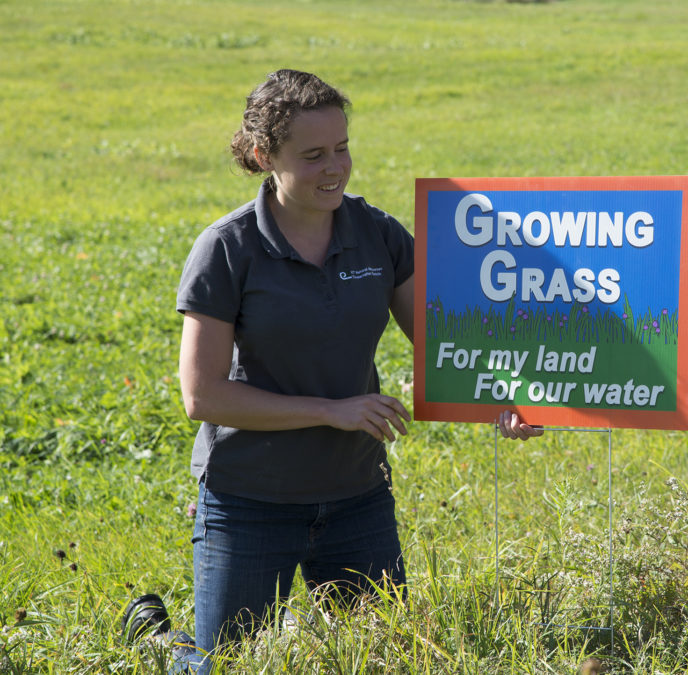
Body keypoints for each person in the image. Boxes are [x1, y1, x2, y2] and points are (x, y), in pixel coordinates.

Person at [122, 69, 541, 673]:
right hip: (248, 499)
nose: (335, 168)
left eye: (342, 148)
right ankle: (160, 641)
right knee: (228, 666)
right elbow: (203, 395)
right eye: (313, 155)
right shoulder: (227, 248)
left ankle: (284, 626)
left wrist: (502, 403)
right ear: (266, 155)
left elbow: (445, 346)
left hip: (356, 497)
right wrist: (331, 411)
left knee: (384, 661)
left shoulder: (378, 235)